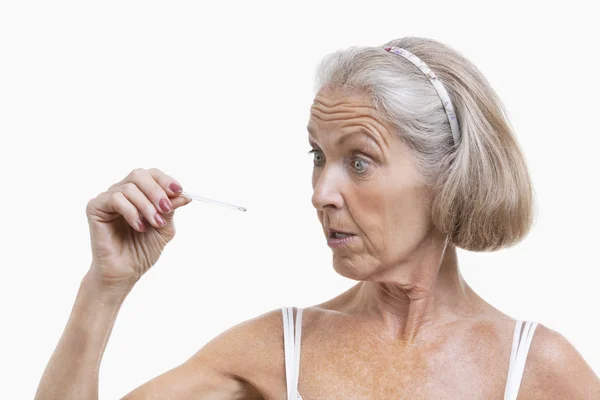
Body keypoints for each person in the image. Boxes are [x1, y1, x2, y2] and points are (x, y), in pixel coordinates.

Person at [34, 37, 599, 399]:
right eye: (318, 157)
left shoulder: (536, 366)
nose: (321, 193)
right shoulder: (276, 349)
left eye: (359, 160)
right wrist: (105, 287)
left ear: (446, 175)